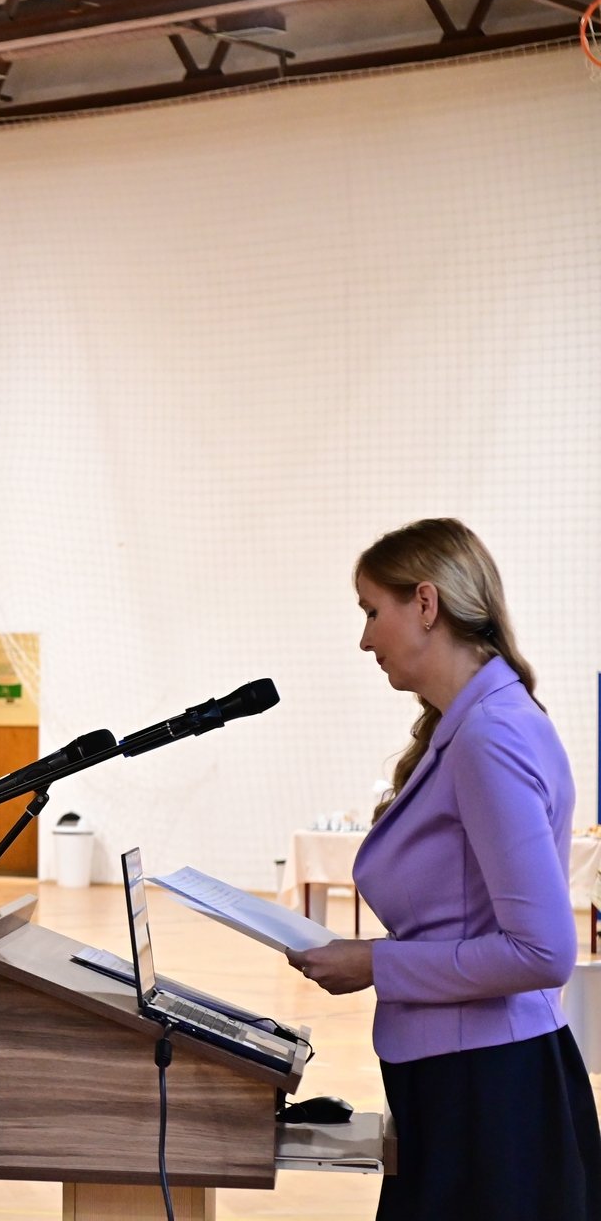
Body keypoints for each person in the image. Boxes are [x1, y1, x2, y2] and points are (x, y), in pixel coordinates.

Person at [291, 518, 601, 1219]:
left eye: (373, 611)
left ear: (426, 605)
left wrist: (375, 963)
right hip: (468, 1081)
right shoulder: (475, 722)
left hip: (489, 1094)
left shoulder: (489, 735)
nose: (365, 637)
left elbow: (542, 950)